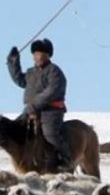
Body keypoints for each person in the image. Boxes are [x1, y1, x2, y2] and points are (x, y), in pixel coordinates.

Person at [6, 38, 71, 171]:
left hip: (51, 111)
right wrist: (13, 63)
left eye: (39, 54)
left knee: (50, 134)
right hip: (31, 110)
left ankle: (64, 158)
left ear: (47, 55)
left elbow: (52, 91)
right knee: (14, 129)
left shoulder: (54, 71)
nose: (36, 57)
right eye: (34, 54)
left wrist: (34, 105)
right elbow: (20, 80)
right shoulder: (31, 72)